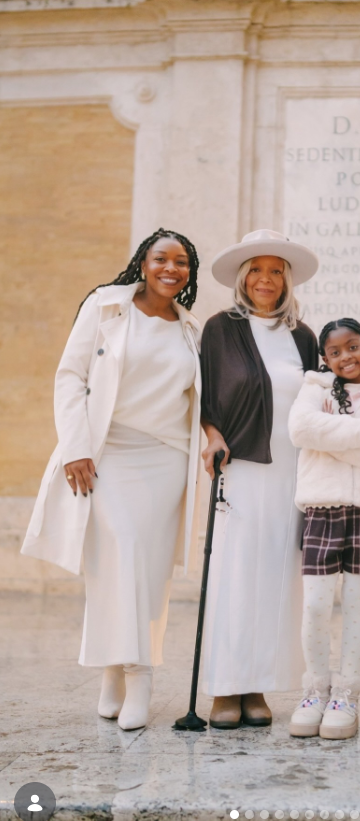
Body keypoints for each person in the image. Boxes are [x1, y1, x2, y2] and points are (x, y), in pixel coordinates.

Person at [22, 229, 202, 731]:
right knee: (115, 559)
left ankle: (127, 675)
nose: (171, 268)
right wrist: (76, 447)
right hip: (109, 452)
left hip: (166, 459)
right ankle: (126, 671)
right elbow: (70, 376)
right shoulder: (104, 306)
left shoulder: (190, 328)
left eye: (181, 261)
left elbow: (198, 399)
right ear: (143, 263)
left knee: (147, 570)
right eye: (161, 258)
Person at [199, 229, 319, 729]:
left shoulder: (303, 336)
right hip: (242, 466)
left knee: (274, 576)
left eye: (275, 271)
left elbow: (319, 398)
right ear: (242, 278)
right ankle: (225, 686)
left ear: (286, 280)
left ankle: (257, 685)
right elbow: (206, 396)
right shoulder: (220, 329)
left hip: (292, 472)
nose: (265, 279)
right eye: (256, 270)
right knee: (235, 575)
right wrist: (212, 436)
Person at [287, 319, 360, 740]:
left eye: (353, 347)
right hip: (321, 509)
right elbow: (300, 430)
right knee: (316, 606)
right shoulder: (315, 388)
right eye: (335, 352)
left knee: (357, 607)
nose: (346, 358)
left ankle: (345, 695)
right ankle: (315, 690)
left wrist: (331, 440)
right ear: (325, 358)